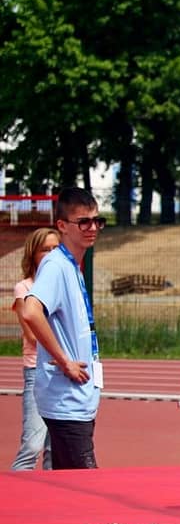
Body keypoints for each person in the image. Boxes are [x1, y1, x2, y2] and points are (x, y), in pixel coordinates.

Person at [17, 187, 104, 469]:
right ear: (62, 226)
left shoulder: (71, 266)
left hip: (77, 400)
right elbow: (31, 311)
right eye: (84, 222)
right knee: (87, 484)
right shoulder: (56, 266)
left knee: (67, 483)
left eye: (97, 221)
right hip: (67, 401)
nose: (92, 228)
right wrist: (64, 361)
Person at [10, 227, 60, 470]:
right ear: (33, 254)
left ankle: (53, 493)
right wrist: (62, 349)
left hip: (63, 372)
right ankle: (13, 489)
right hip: (38, 371)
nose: (51, 254)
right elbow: (31, 335)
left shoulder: (63, 285)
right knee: (32, 445)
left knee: (55, 450)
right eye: (45, 250)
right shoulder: (24, 288)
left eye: (55, 249)